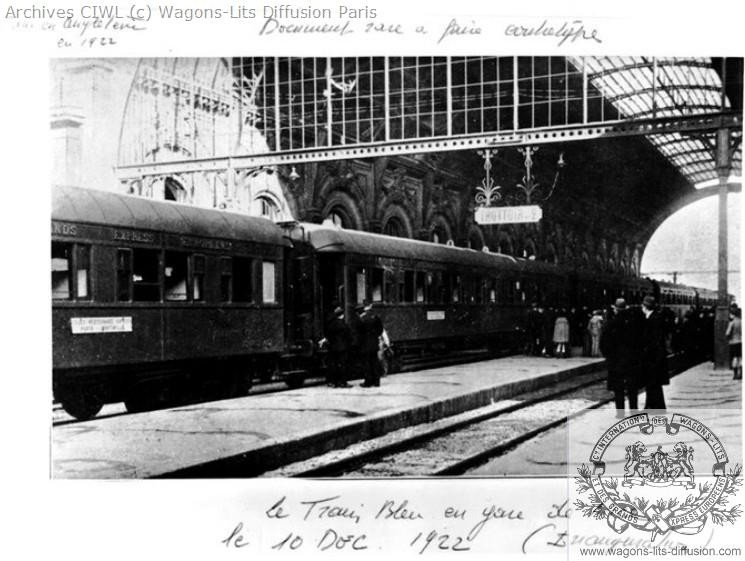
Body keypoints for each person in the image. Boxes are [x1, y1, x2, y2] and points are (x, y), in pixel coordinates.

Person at [600, 298, 641, 417]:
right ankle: (634, 411)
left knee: (618, 388)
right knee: (632, 387)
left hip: (616, 361)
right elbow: (640, 342)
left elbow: (603, 344)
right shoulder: (634, 323)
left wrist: (609, 357)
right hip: (631, 361)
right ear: (626, 307)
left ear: (616, 309)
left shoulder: (611, 323)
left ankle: (620, 413)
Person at [639, 295, 669, 410]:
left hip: (654, 357)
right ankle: (654, 406)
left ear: (645, 307)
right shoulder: (654, 317)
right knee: (653, 383)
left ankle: (654, 407)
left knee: (653, 382)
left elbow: (653, 340)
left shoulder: (654, 319)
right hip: (654, 356)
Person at [323, 306, 352, 388]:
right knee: (343, 365)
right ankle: (343, 382)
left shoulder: (331, 325)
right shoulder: (344, 325)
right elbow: (349, 336)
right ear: (342, 315)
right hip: (342, 348)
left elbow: (328, 336)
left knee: (334, 365)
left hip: (333, 348)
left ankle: (334, 382)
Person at [359, 301, 384, 387]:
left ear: (364, 307)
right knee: (375, 362)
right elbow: (380, 329)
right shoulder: (375, 317)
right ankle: (376, 382)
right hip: (374, 343)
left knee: (367, 363)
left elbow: (359, 331)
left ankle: (368, 382)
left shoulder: (362, 318)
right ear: (370, 306)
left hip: (365, 344)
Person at [726, 306, 742, 380]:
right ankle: (741, 374)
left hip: (733, 342)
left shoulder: (732, 323)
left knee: (734, 358)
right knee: (740, 358)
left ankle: (735, 375)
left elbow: (727, 333)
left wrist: (729, 339)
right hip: (741, 342)